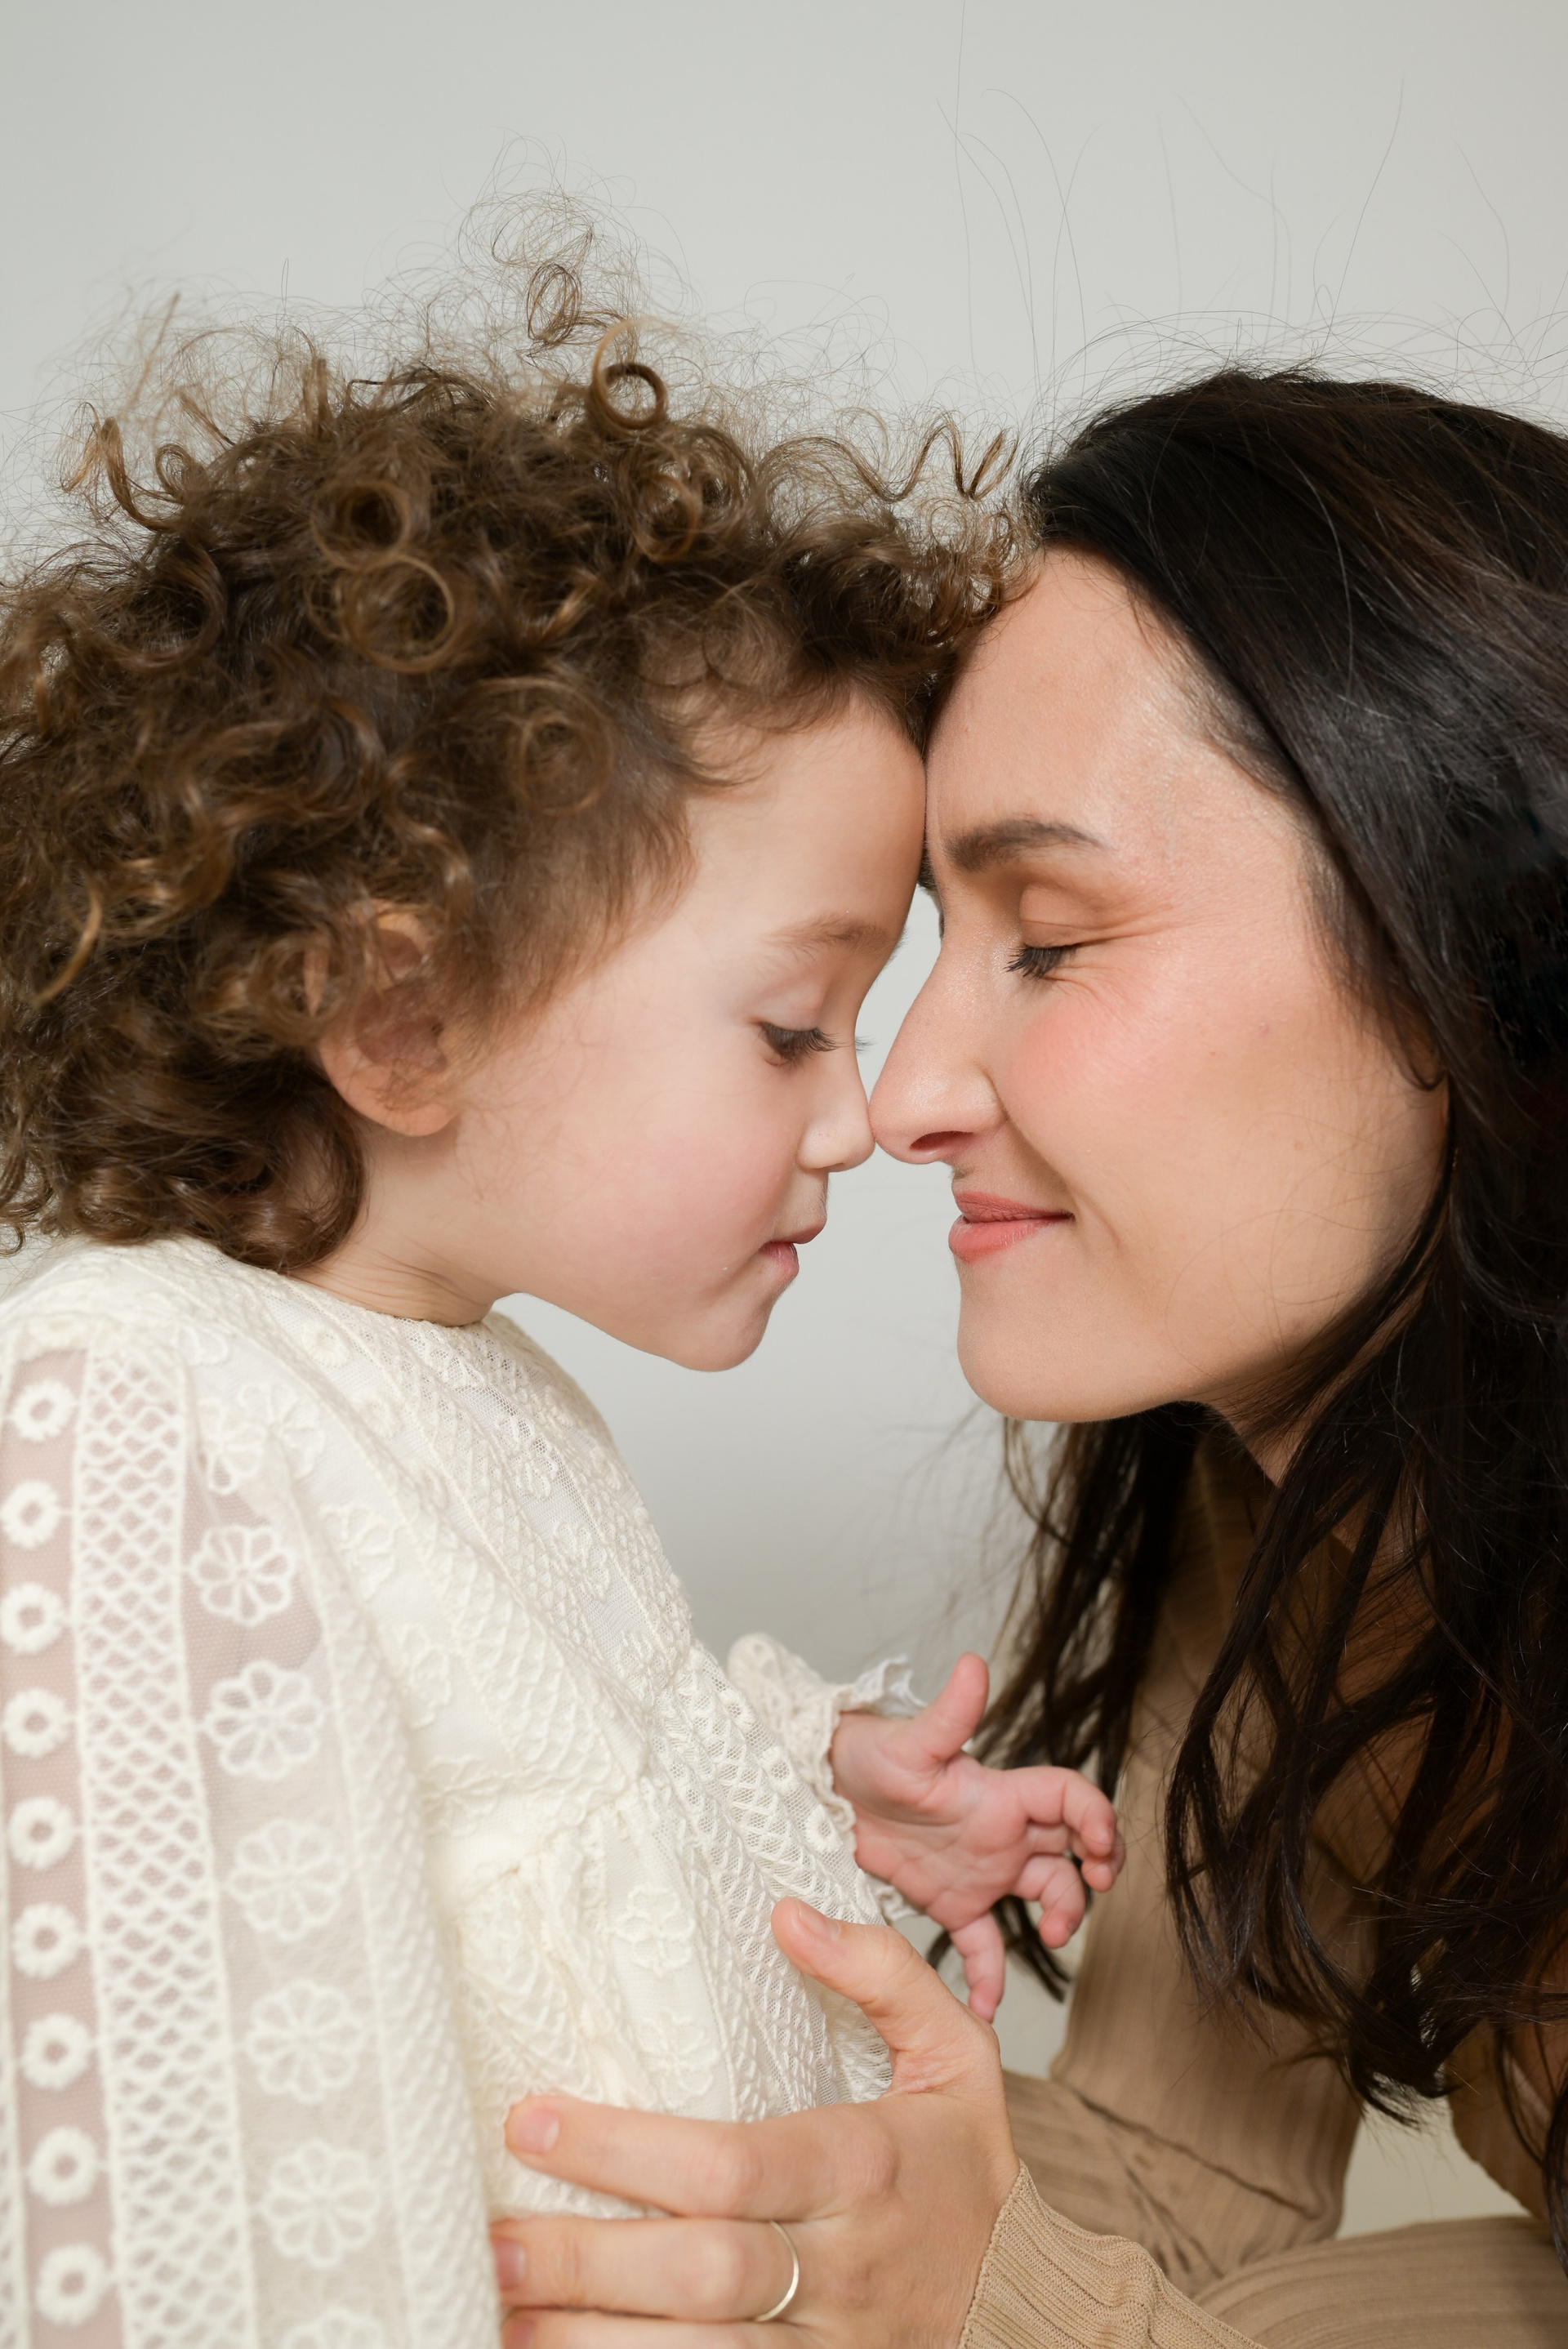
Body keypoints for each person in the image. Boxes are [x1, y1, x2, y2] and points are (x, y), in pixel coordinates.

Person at [0, 253, 1124, 2347]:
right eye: (792, 1024)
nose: (864, 1113)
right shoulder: (138, 1410)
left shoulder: (473, 1380)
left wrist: (821, 1787)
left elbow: (549, 1782)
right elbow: (197, 2193)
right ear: (405, 1019)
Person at [488, 367, 1568, 2348]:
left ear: (1465, 963)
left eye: (1051, 941)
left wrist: (1005, 2286)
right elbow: (1182, 2179)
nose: (900, 1096)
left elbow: (1095, 2288)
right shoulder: (1286, 1478)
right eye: (931, 945)